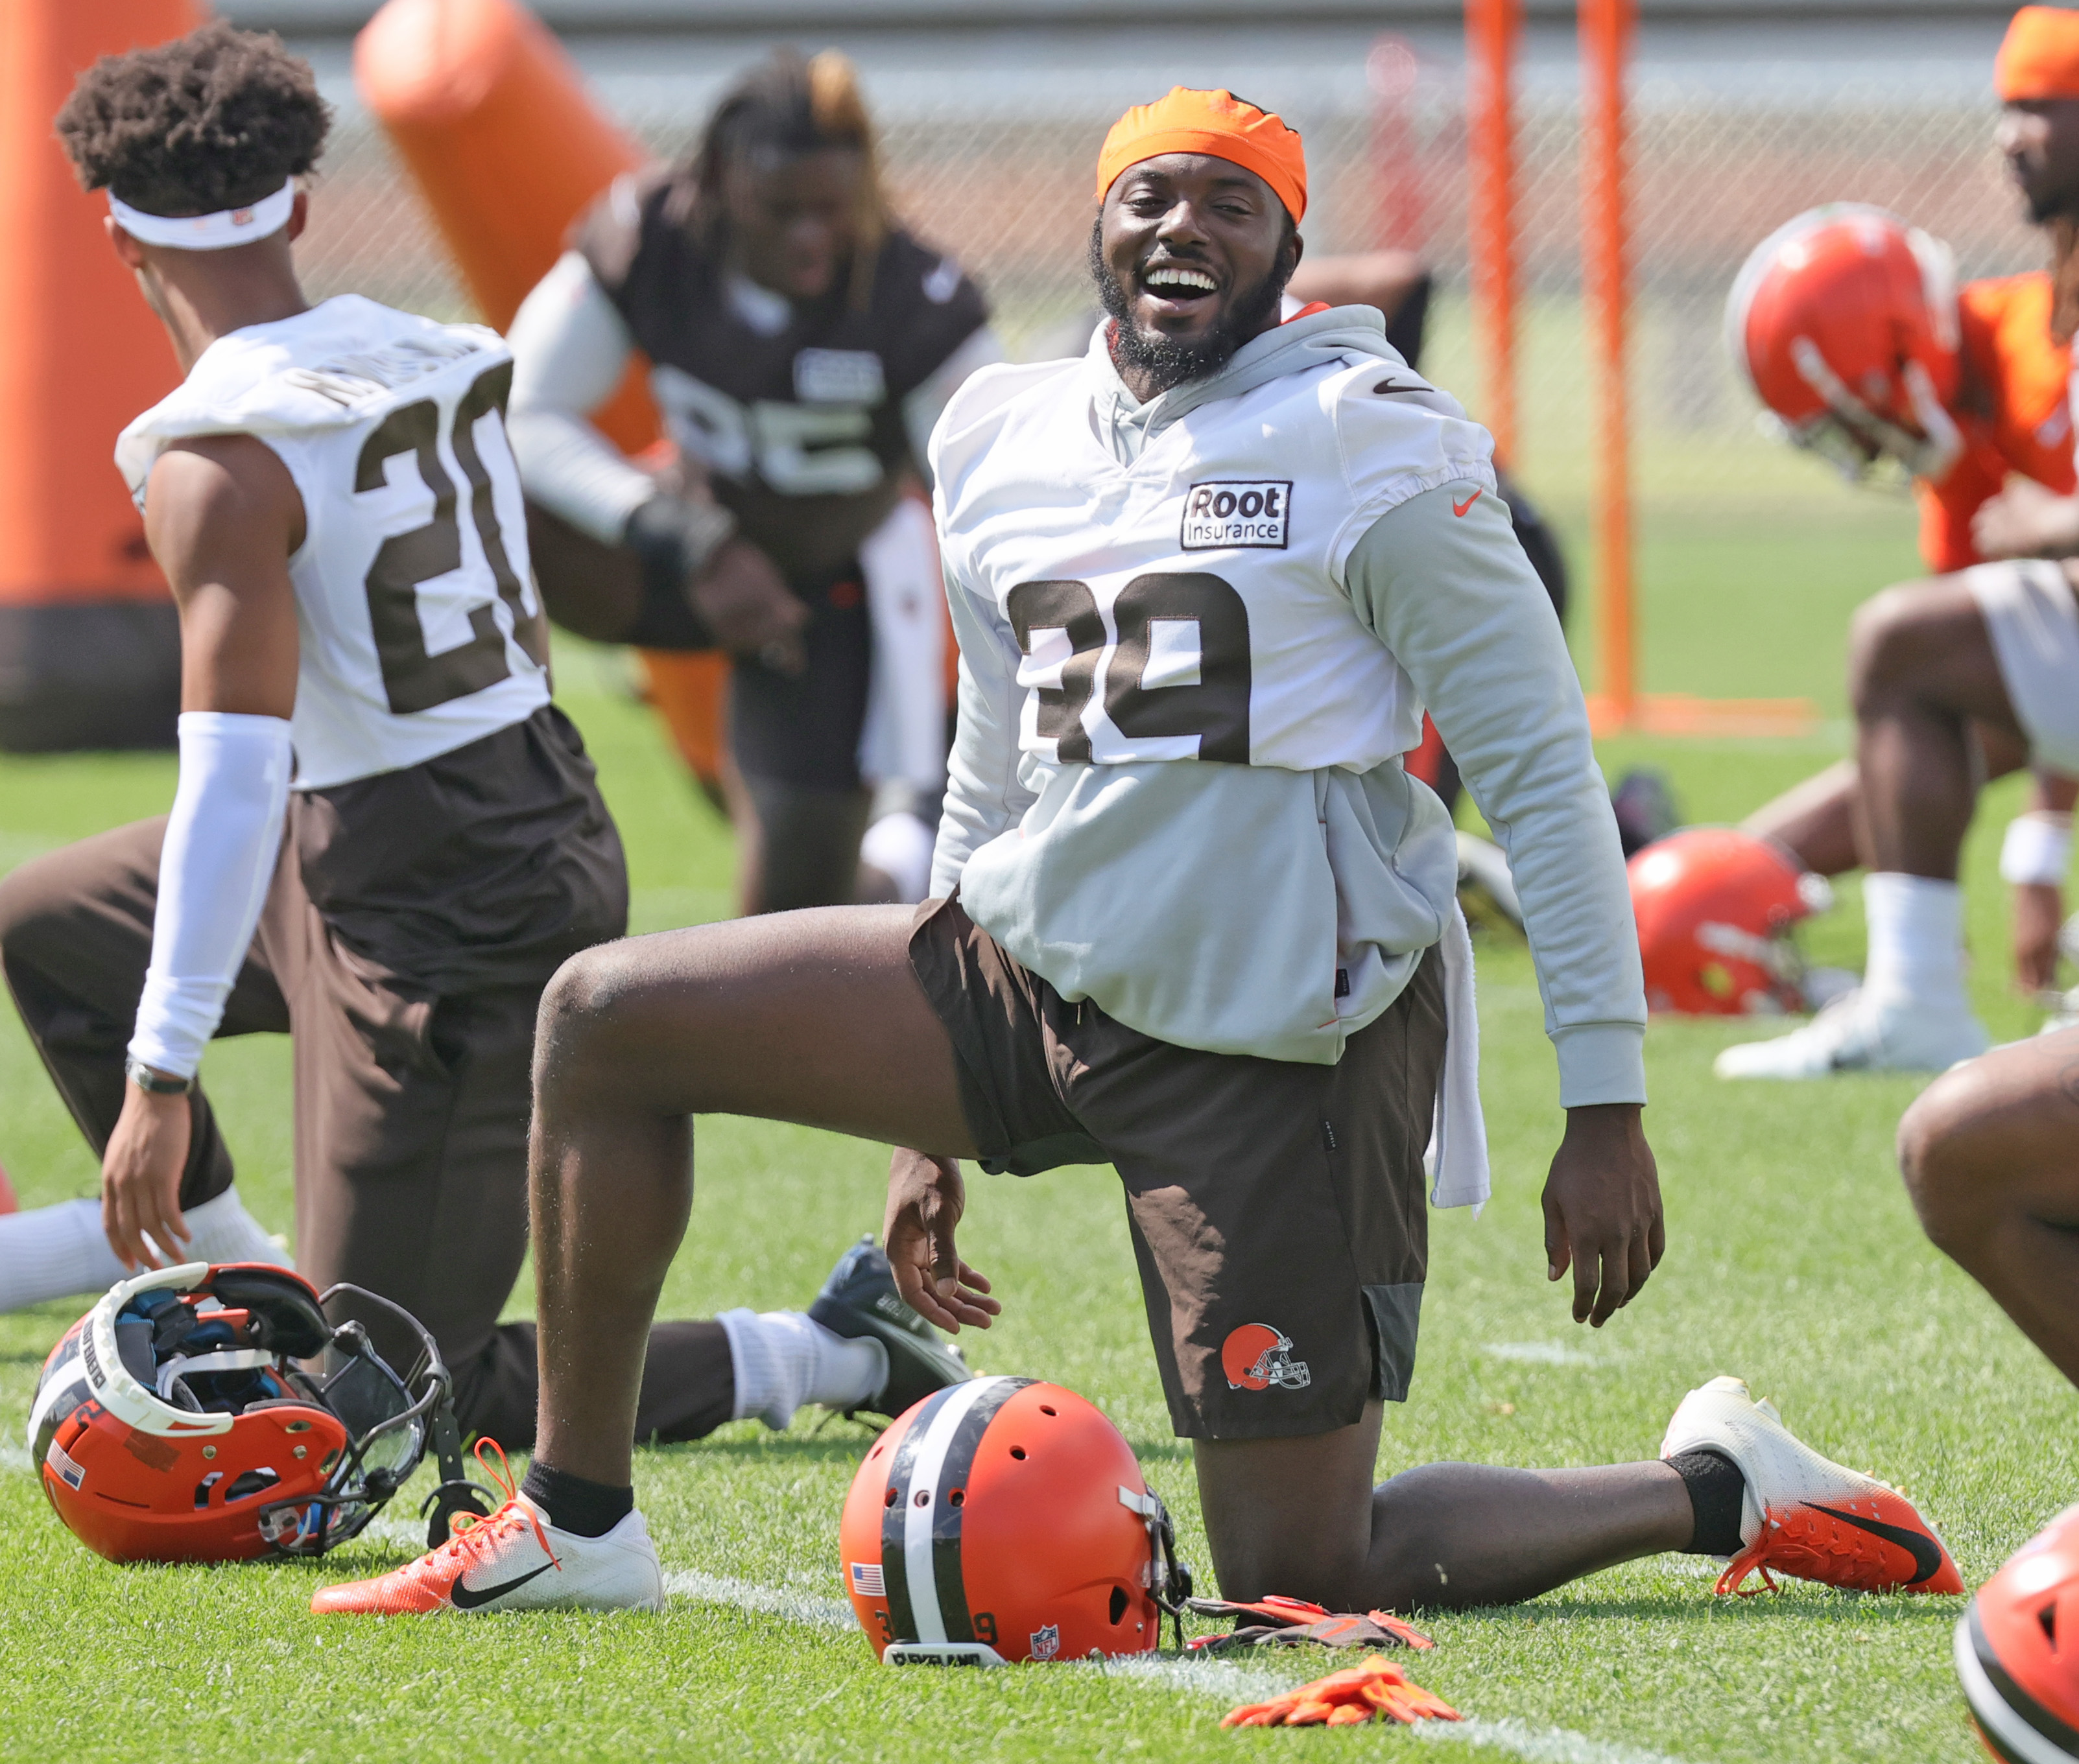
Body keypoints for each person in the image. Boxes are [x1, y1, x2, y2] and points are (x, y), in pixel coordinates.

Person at [313, 88, 1957, 1619]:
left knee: (1306, 1565)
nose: (1184, 228)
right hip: (1031, 969)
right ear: (1099, 230)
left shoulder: (1368, 440)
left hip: (1267, 1038)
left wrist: (1603, 1102)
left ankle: (1708, 1482)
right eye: (1150, 197)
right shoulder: (1000, 434)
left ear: (1288, 251)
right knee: (606, 1015)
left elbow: (1539, 775)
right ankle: (581, 1522)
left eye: (1232, 207)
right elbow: (987, 758)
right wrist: (918, 1107)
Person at [0, 24, 967, 1454]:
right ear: (304, 205)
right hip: (411, 816)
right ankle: (243, 1264)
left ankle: (821, 1348)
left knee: (379, 1401)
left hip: (452, 889)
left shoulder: (216, 456)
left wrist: (159, 1079)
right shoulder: (434, 349)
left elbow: (232, 774)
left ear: (119, 240)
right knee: (49, 923)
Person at [505, 49, 1000, 915]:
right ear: (721, 182)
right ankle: (480, 773)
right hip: (676, 548)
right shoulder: (652, 238)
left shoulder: (913, 298)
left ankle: (903, 847)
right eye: (783, 211)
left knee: (792, 922)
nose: (811, 236)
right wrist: (687, 537)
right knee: (488, 499)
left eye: (829, 210)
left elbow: (991, 498)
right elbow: (523, 411)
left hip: (826, 589)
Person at [1717, 10, 2079, 1077]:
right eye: (2004, 109)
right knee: (1912, 661)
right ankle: (1884, 976)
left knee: (1900, 644)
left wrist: (2046, 519)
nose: (2012, 135)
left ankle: (1915, 998)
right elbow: (1992, 665)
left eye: (2041, 108)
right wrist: (1746, 864)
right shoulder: (2000, 327)